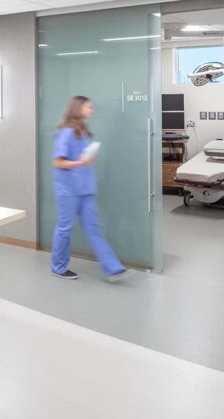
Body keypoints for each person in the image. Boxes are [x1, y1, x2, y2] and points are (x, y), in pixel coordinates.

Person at [50, 96, 133, 283]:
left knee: (94, 229)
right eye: (89, 107)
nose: (92, 110)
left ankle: (112, 268)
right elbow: (57, 161)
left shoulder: (84, 133)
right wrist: (80, 162)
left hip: (85, 189)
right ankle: (58, 267)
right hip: (68, 190)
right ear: (78, 109)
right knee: (65, 229)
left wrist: (87, 160)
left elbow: (82, 159)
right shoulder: (67, 132)